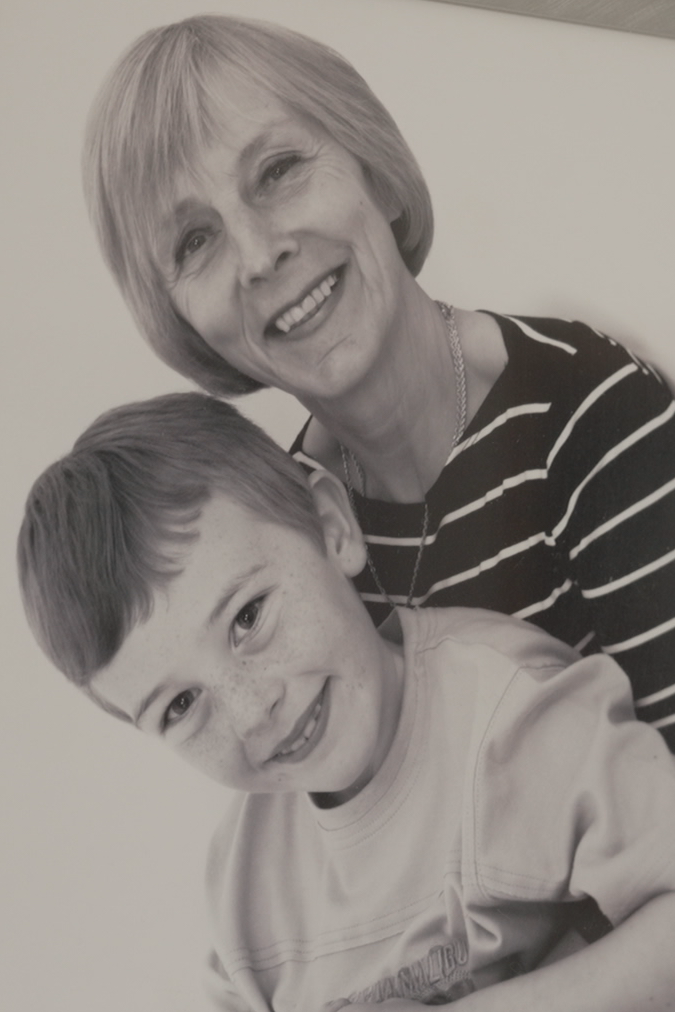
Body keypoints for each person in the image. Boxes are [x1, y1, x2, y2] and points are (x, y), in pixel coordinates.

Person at [82, 15, 675, 748]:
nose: (260, 256)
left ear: (378, 177)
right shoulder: (283, 535)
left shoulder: (593, 416)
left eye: (277, 172)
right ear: (182, 322)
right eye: (195, 240)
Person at [17, 392, 675, 1012]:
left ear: (332, 529)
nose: (252, 710)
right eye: (181, 705)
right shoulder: (244, 895)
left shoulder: (510, 718)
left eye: (248, 617)